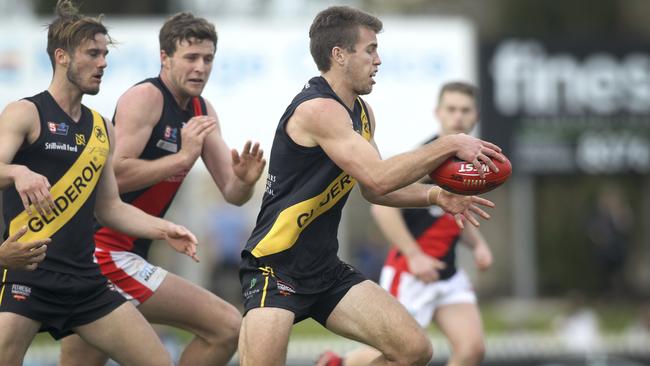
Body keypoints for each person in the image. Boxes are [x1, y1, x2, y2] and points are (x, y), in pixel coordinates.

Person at [237, 6, 505, 366]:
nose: (378, 60)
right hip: (275, 268)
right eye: (370, 50)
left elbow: (375, 190)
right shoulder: (318, 109)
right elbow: (379, 175)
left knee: (414, 350)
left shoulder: (362, 113)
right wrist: (449, 143)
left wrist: (437, 195)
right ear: (339, 55)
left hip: (325, 269)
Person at [59, 12, 266, 366]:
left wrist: (246, 181)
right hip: (104, 250)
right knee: (228, 326)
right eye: (191, 58)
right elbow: (113, 176)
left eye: (208, 59)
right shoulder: (146, 98)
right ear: (165, 59)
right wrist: (181, 158)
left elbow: (232, 193)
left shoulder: (202, 110)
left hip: (122, 252)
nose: (201, 67)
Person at [0, 1, 199, 365]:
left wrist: (164, 229)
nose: (103, 62)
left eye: (105, 53)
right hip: (28, 279)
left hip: (85, 282)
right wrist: (17, 172)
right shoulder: (25, 112)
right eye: (93, 53)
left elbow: (110, 208)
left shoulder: (101, 128)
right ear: (62, 57)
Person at [319, 82, 493, 366]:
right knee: (398, 354)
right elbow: (382, 209)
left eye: (465, 110)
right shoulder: (427, 159)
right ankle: (339, 363)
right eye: (451, 109)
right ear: (438, 113)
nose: (458, 117)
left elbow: (452, 215)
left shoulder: (468, 162)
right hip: (411, 272)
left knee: (472, 350)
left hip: (447, 274)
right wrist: (415, 256)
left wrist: (478, 245)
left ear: (476, 116)